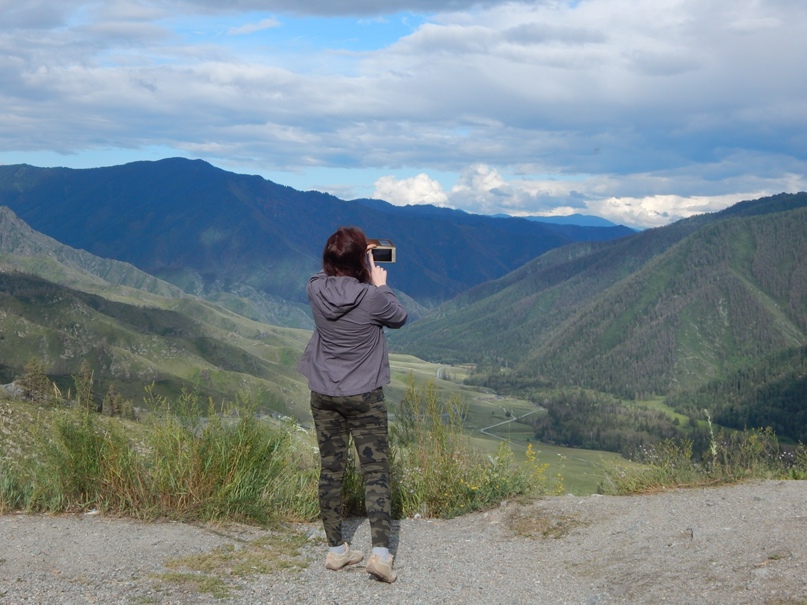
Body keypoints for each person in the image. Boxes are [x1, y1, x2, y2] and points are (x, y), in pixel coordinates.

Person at [297, 226, 408, 583]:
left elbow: (321, 272)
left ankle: (336, 551)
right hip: (365, 395)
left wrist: (353, 254)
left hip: (324, 393)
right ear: (361, 260)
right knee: (375, 472)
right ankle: (379, 555)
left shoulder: (315, 289)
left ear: (329, 260)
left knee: (332, 470)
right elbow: (400, 317)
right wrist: (378, 280)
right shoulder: (371, 297)